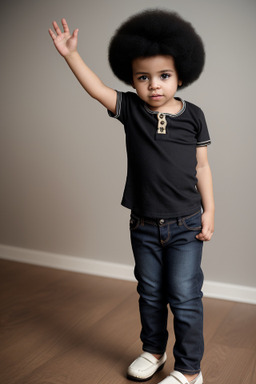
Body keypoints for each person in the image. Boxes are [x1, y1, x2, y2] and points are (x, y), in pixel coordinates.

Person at [49, 9, 214, 384]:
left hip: (186, 224)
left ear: (180, 76)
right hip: (142, 224)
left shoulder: (194, 116)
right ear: (133, 80)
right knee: (151, 292)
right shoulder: (131, 110)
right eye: (144, 77)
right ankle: (154, 351)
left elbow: (202, 167)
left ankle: (189, 370)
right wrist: (71, 54)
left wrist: (211, 210)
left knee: (185, 297)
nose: (154, 85)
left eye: (164, 76)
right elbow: (96, 89)